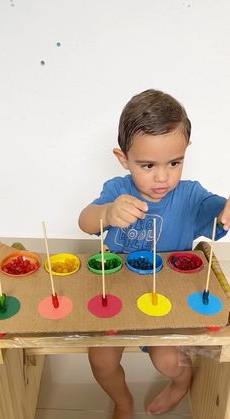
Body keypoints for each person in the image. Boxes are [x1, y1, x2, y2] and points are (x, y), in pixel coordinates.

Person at [78, 89, 230, 418]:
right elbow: (85, 221)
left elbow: (220, 212)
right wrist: (106, 213)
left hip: (167, 297)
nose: (162, 176)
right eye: (147, 165)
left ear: (185, 152)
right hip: (116, 292)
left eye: (174, 162)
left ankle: (180, 384)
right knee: (100, 360)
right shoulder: (117, 190)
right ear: (123, 159)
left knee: (167, 362)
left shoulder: (191, 196)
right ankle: (122, 400)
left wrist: (227, 209)